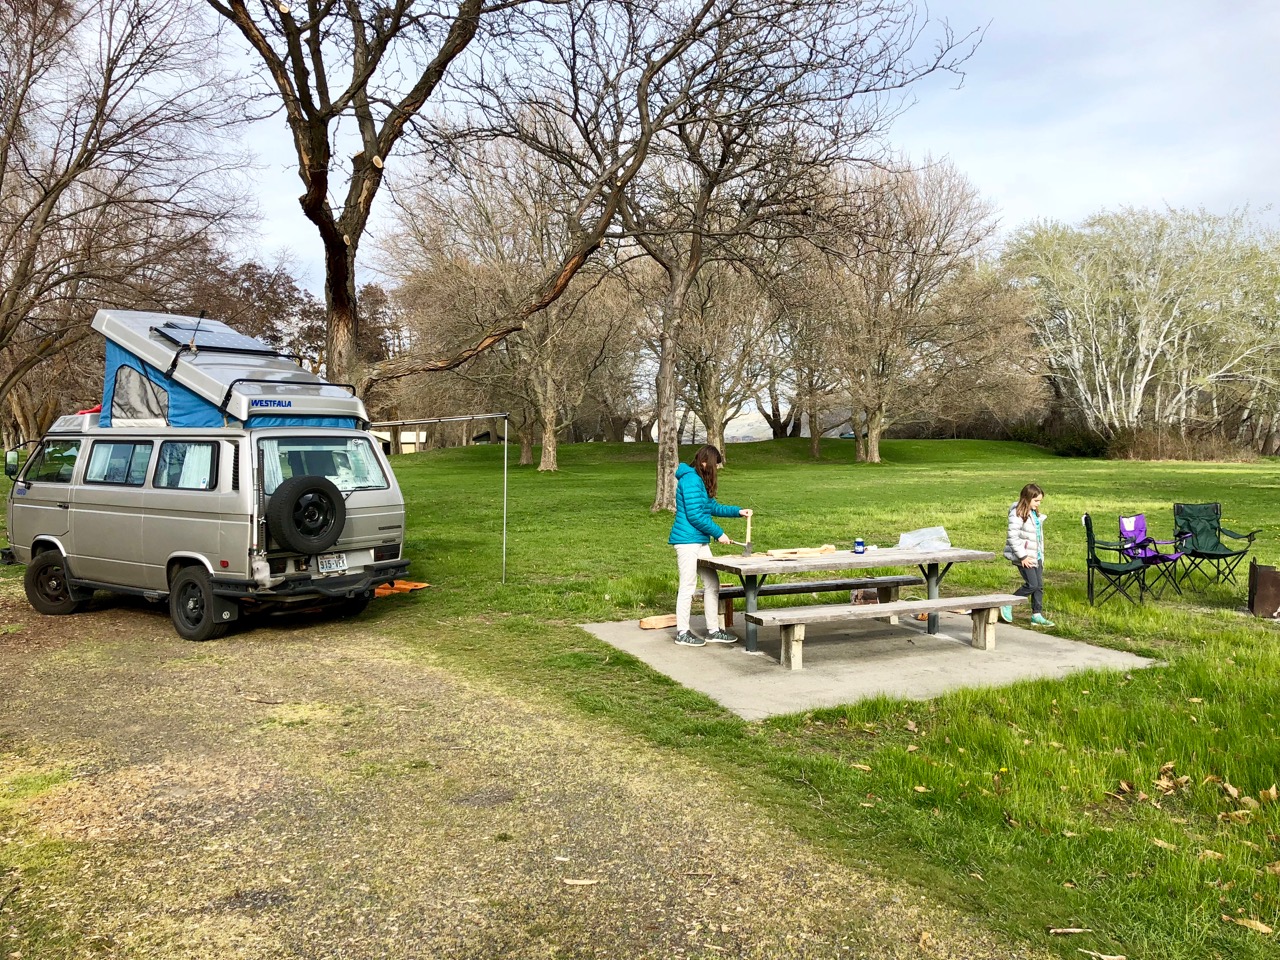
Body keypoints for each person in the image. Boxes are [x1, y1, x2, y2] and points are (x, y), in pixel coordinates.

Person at [668, 445, 752, 647]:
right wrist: (719, 533)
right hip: (687, 542)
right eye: (715, 465)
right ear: (704, 462)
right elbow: (695, 515)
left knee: (712, 584)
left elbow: (710, 507)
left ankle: (713, 630)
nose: (716, 470)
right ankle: (682, 632)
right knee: (687, 585)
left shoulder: (699, 480)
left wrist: (737, 511)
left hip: (700, 540)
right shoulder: (690, 480)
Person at [1002, 482, 1055, 627]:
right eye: (1036, 501)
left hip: (1036, 555)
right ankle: (1007, 603)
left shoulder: (1034, 513)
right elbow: (1012, 537)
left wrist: (1040, 556)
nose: (1038, 504)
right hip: (1025, 556)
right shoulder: (1017, 513)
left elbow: (1037, 536)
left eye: (1040, 501)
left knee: (1039, 586)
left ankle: (1036, 615)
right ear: (1027, 498)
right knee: (1032, 585)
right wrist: (1023, 556)